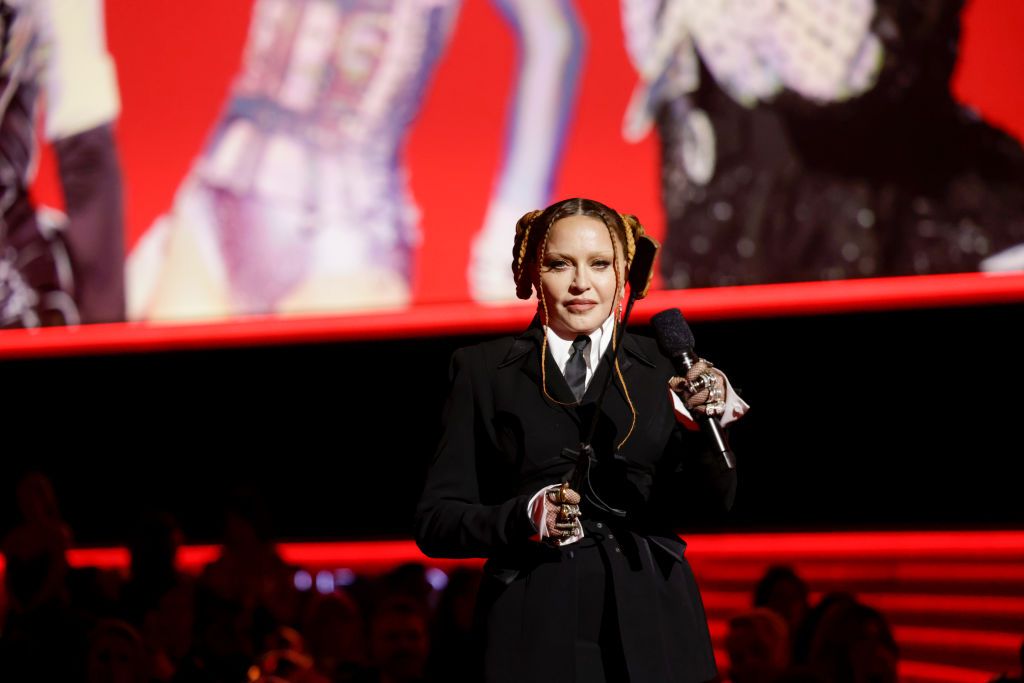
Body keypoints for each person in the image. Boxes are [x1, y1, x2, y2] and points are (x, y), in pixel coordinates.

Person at [415, 197, 748, 682]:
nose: (580, 284)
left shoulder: (668, 369)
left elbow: (715, 503)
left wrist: (702, 432)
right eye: (559, 264)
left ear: (624, 274)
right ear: (531, 273)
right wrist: (525, 514)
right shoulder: (482, 371)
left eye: (599, 264)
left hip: (653, 618)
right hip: (534, 620)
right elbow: (436, 520)